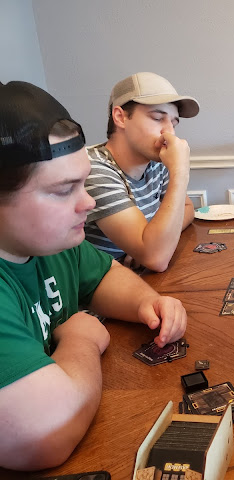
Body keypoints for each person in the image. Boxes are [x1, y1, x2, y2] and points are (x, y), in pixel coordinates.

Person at [0, 81, 188, 470]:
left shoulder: (55, 243)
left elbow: (104, 276)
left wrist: (147, 302)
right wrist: (82, 339)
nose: (88, 201)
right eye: (63, 190)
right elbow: (45, 435)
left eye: (83, 182)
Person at [84, 72, 200, 272]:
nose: (170, 132)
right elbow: (156, 259)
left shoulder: (155, 161)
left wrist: (152, 240)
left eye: (173, 123)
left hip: (139, 279)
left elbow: (188, 207)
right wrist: (180, 171)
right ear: (120, 117)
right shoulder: (93, 170)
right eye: (157, 118)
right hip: (99, 288)